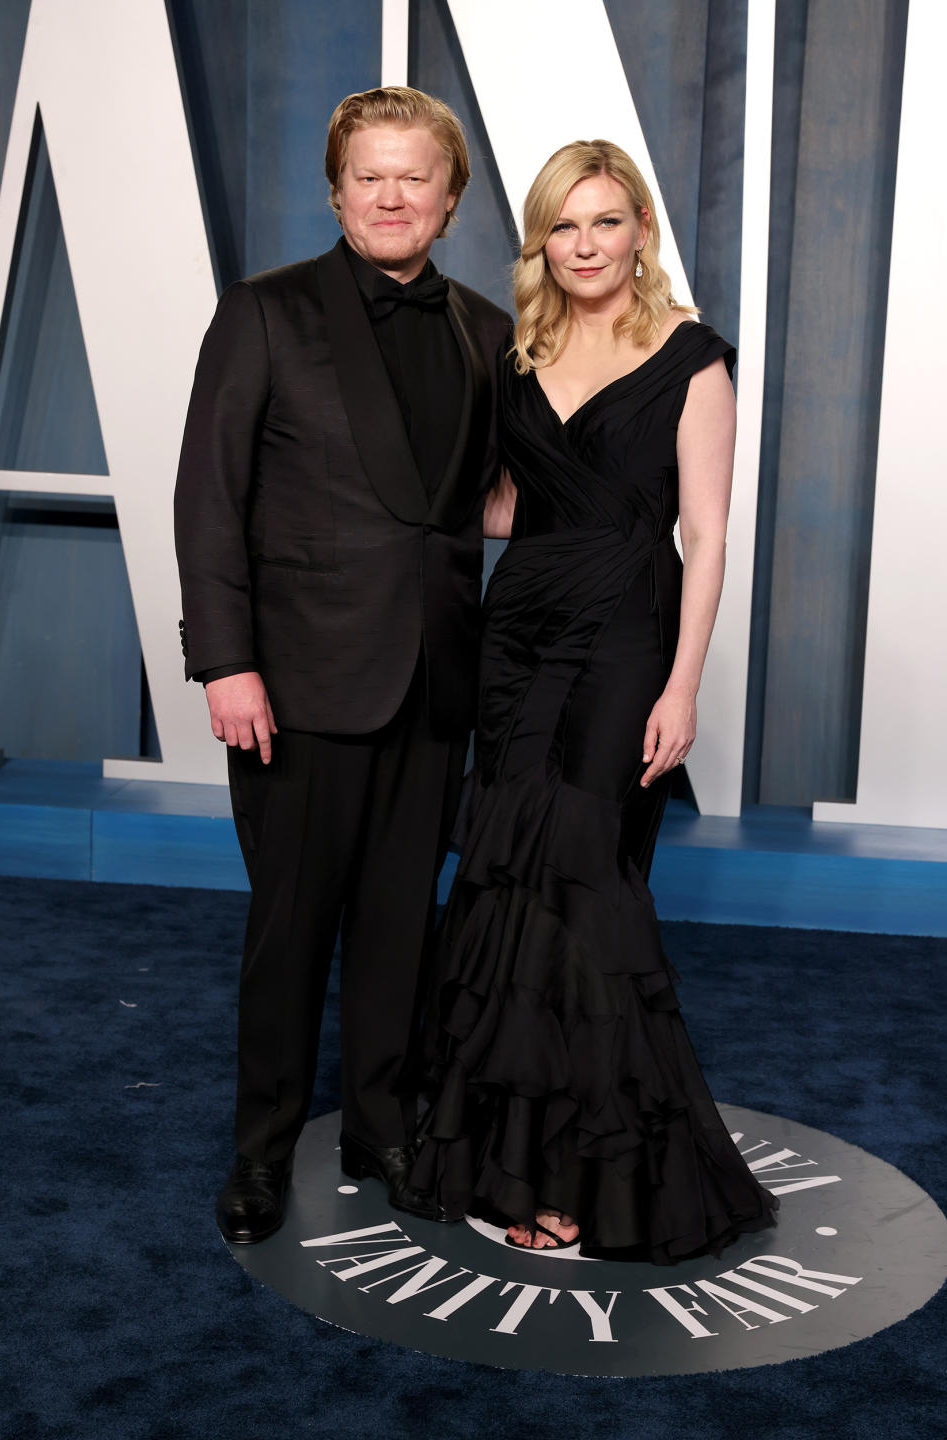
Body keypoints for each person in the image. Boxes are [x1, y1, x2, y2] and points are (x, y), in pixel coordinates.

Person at [410, 140, 779, 1261]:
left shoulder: (691, 358)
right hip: (518, 632)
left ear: (640, 233)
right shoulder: (521, 349)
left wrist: (683, 684)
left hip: (628, 634)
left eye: (606, 222)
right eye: (564, 227)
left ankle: (584, 1169)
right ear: (541, 241)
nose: (585, 246)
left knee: (587, 883)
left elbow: (707, 534)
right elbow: (513, 508)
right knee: (510, 882)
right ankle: (506, 1158)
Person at [174, 87, 512, 1245]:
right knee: (289, 932)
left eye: (414, 176)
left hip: (432, 681)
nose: (391, 195)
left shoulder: (483, 328)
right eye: (369, 175)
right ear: (335, 190)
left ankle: (383, 1129)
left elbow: (482, 503)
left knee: (397, 930)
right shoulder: (263, 314)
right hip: (298, 686)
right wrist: (226, 662)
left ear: (451, 198)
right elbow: (208, 502)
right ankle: (261, 1155)